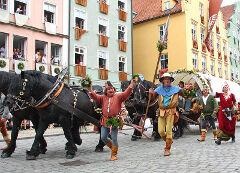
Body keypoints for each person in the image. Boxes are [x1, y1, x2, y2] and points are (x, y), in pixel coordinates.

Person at [89, 80, 135, 161]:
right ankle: (113, 147)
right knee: (103, 137)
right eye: (109, 89)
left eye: (112, 89)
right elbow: (95, 96)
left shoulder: (118, 96)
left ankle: (114, 154)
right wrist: (89, 88)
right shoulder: (102, 98)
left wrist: (130, 86)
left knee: (114, 138)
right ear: (105, 91)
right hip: (105, 120)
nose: (111, 90)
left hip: (115, 120)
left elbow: (126, 93)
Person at [149, 73, 180, 156]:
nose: (167, 80)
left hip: (171, 111)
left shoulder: (176, 89)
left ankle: (167, 149)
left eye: (168, 79)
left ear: (170, 80)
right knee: (161, 131)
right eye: (165, 79)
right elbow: (152, 99)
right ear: (162, 81)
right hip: (161, 111)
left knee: (169, 131)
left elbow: (184, 94)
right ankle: (169, 141)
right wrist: (151, 93)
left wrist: (185, 89)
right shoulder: (158, 90)